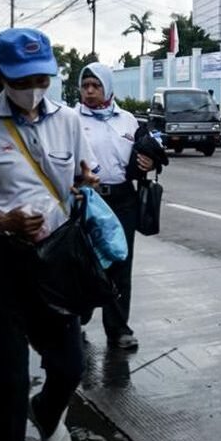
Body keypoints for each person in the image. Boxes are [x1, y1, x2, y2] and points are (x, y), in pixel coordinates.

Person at [0, 28, 100, 441]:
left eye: (40, 80)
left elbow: (85, 176)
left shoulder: (68, 121)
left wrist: (85, 184)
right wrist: (2, 222)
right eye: (22, 81)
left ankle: (47, 412)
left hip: (56, 264)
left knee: (69, 365)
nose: (33, 89)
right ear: (1, 76)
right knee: (7, 382)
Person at [76, 62, 156, 351]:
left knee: (120, 263)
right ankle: (78, 318)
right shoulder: (72, 119)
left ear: (107, 87)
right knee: (83, 261)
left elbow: (143, 156)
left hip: (122, 199)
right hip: (85, 200)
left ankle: (118, 328)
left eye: (95, 86)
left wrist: (148, 162)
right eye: (85, 86)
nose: (89, 91)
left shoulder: (128, 121)